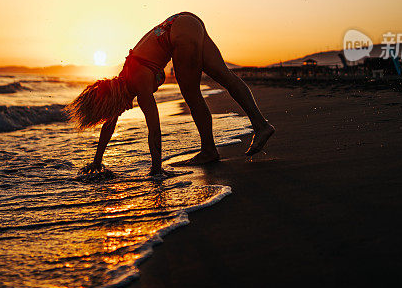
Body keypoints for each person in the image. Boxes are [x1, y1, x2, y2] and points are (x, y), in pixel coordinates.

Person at [67, 11, 275, 177]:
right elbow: (109, 125)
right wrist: (97, 160)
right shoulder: (122, 80)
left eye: (113, 110)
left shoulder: (138, 83)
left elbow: (154, 129)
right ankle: (261, 125)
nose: (121, 111)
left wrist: (156, 169)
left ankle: (209, 151)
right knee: (225, 75)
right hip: (185, 21)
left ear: (113, 101)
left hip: (179, 33)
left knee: (191, 94)